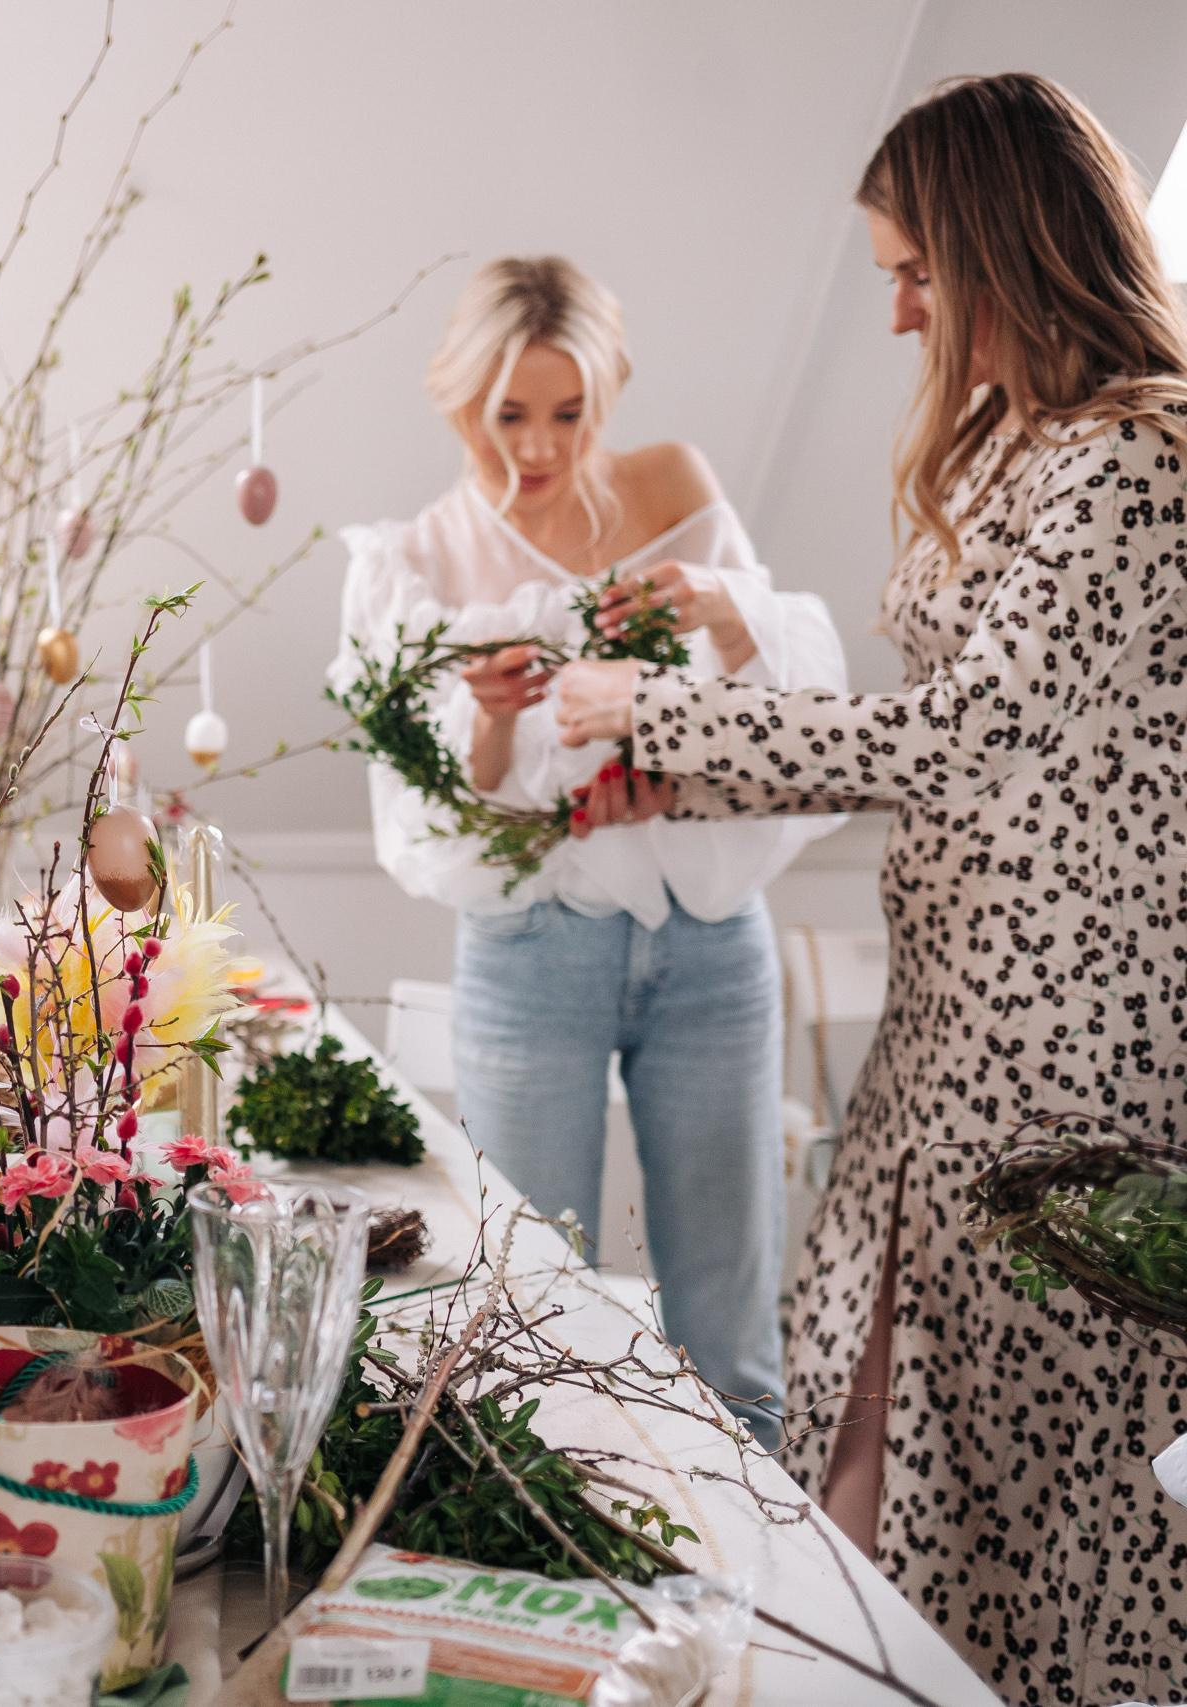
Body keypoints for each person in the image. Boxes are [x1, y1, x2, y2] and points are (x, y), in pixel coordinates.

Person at [553, 74, 1187, 1704]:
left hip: (1067, 1070)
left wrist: (664, 716)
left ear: (1002, 248)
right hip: (950, 1037)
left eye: (917, 270)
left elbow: (968, 734)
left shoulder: (1134, 465)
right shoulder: (1016, 443)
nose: (897, 311)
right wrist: (695, 713)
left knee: (1030, 1506)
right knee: (875, 1453)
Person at [332, 256, 846, 1449]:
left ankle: (757, 1609)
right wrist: (500, 716)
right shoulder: (422, 561)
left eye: (569, 412)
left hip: (712, 944)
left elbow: (764, 709)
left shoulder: (675, 488)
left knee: (728, 1334)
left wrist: (696, 665)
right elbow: (436, 814)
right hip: (531, 960)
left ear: (607, 393)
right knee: (536, 1314)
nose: (538, 447)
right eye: (508, 413)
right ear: (457, 398)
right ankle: (571, 1583)